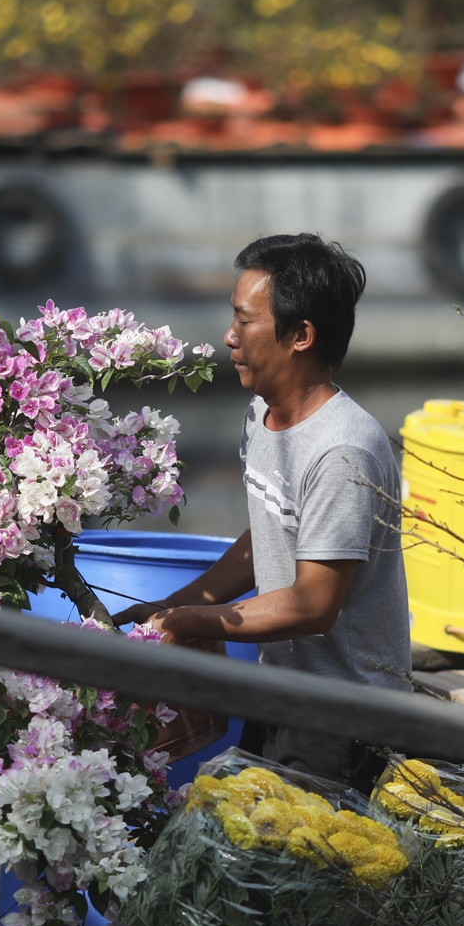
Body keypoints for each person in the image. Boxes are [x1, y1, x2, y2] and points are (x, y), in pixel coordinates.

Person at [115, 232, 411, 787]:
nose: (229, 337)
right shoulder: (263, 415)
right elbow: (265, 537)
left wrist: (186, 623)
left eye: (244, 321)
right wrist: (166, 608)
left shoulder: (342, 449)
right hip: (280, 694)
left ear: (301, 335)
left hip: (344, 718)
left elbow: (313, 605)